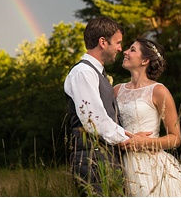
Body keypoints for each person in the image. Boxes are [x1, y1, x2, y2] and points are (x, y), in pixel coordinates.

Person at [64, 16, 150, 196]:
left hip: (104, 156)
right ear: (103, 42)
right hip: (93, 158)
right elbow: (94, 121)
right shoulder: (83, 72)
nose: (120, 48)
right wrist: (130, 139)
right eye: (118, 43)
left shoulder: (95, 72)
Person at [115, 38, 181, 196]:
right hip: (121, 162)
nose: (125, 52)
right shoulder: (117, 90)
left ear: (145, 60)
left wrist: (146, 142)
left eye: (132, 50)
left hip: (151, 165)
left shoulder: (159, 91)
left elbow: (175, 138)